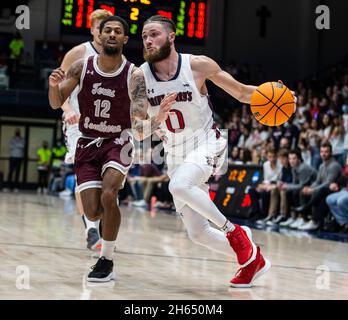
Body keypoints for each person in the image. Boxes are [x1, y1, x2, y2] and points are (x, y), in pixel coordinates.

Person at [128, 15, 294, 287]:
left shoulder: (197, 65)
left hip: (207, 142)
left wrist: (281, 96)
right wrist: (157, 119)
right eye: (144, 35)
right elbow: (137, 131)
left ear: (171, 37)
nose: (147, 40)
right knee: (198, 234)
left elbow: (241, 93)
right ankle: (253, 260)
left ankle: (235, 232)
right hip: (175, 153)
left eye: (154, 34)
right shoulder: (139, 77)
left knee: (179, 186)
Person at [48, 15, 134, 282]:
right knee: (94, 210)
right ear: (97, 33)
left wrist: (150, 120)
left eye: (116, 30)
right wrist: (54, 89)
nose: (109, 34)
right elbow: (56, 100)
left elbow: (142, 111)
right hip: (87, 139)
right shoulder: (80, 62)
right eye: (105, 29)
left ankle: (106, 260)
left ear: (124, 38)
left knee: (109, 195)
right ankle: (93, 227)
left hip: (118, 140)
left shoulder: (134, 72)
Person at [56, 9, 113, 251]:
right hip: (78, 122)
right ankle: (91, 228)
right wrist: (67, 109)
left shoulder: (115, 56)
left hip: (107, 125)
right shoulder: (79, 53)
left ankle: (96, 222)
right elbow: (57, 86)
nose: (105, 32)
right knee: (84, 174)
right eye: (100, 27)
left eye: (108, 27)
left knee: (106, 178)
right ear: (92, 29)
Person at [293, 142, 342, 231]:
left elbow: (328, 183)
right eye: (322, 152)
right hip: (322, 189)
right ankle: (303, 219)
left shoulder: (334, 165)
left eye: (326, 152)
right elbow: (317, 181)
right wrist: (310, 188)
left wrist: (313, 190)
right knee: (302, 191)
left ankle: (313, 220)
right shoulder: (321, 165)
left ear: (331, 152)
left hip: (332, 190)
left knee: (317, 192)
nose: (323, 154)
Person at [278, 149, 317, 228]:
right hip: (305, 186)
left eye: (294, 158)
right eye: (290, 158)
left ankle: (303, 218)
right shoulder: (294, 168)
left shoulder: (303, 168)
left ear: (299, 159)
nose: (291, 161)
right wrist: (285, 185)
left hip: (314, 187)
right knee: (288, 191)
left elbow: (301, 185)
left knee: (298, 192)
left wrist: (287, 186)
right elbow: (295, 184)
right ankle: (293, 217)